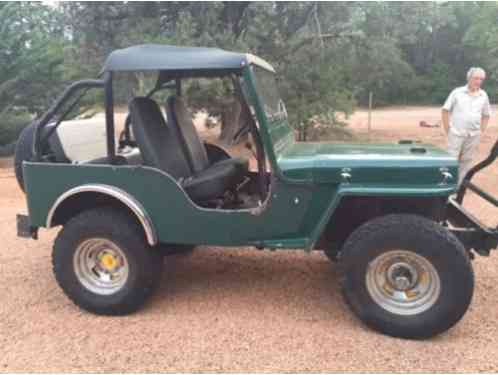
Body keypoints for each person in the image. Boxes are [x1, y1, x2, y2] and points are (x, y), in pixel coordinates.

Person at [442, 67, 491, 185]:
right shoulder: (457, 92)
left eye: (481, 79)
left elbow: (486, 115)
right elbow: (445, 110)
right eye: (476, 78)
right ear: (469, 78)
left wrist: (481, 131)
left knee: (467, 161)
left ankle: (458, 187)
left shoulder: (483, 95)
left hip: (474, 135)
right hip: (456, 133)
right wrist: (448, 129)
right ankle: (446, 184)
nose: (478, 81)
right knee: (451, 159)